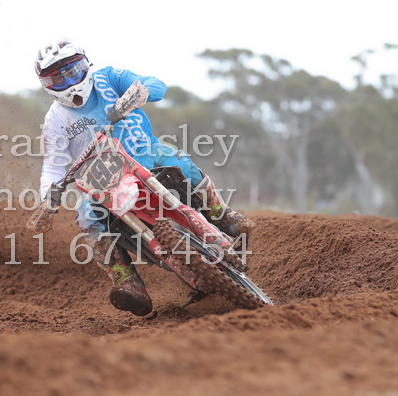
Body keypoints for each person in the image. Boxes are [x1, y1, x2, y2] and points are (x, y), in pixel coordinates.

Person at [28, 39, 254, 316]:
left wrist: (139, 93)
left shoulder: (109, 78)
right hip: (103, 181)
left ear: (85, 65)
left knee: (179, 161)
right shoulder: (55, 120)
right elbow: (53, 165)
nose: (69, 82)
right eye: (58, 78)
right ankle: (127, 281)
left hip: (144, 152)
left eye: (73, 72)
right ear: (46, 84)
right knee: (87, 217)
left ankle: (221, 214)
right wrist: (47, 199)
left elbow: (156, 84)